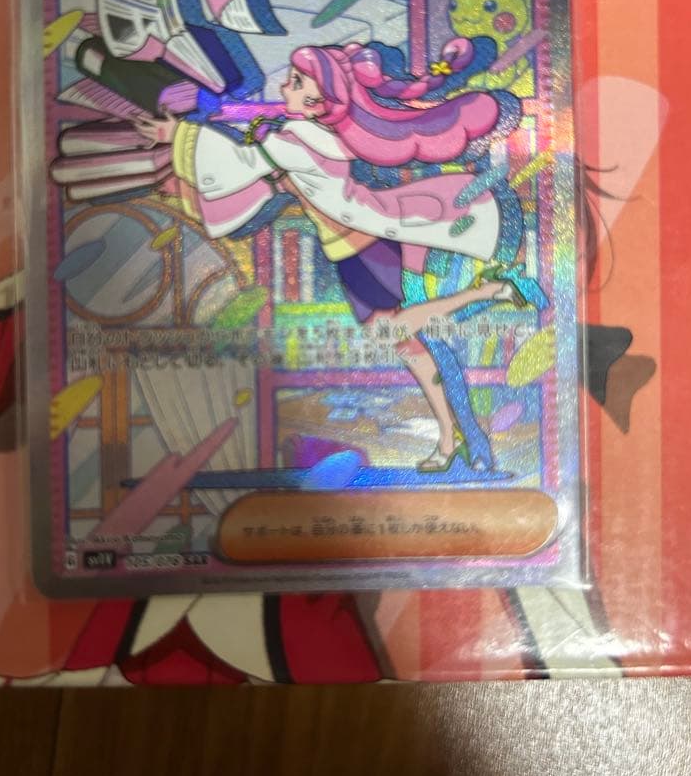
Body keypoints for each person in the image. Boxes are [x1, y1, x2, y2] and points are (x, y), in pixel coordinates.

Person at [134, 38, 540, 471]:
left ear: (318, 99)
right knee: (410, 346)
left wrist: (178, 135)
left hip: (370, 251)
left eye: (296, 82)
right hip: (350, 254)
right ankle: (450, 438)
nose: (284, 87)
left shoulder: (300, 138)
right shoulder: (308, 137)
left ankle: (492, 293)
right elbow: (258, 175)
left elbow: (242, 162)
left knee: (399, 333)